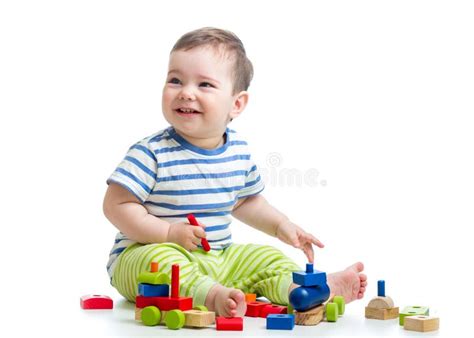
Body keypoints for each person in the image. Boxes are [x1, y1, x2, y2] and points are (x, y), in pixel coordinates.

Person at [103, 27, 367, 317]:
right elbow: (116, 205)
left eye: (204, 85)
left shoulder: (237, 151)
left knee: (266, 257)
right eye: (175, 80)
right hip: (145, 255)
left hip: (218, 257)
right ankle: (212, 295)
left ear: (236, 103)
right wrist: (167, 232)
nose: (186, 93)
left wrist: (282, 226)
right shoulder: (151, 152)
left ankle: (305, 291)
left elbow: (246, 201)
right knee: (158, 261)